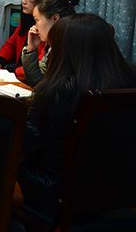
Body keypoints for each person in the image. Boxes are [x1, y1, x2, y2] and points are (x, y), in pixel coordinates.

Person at [17, 14, 136, 219]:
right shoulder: (128, 85)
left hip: (54, 193)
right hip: (118, 194)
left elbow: (27, 146)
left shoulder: (56, 92)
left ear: (63, 52)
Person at [0, 0, 59, 79]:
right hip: (19, 74)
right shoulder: (27, 20)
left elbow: (39, 69)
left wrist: (13, 72)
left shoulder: (48, 29)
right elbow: (10, 44)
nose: (23, 1)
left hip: (25, 77)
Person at [20, 0, 79, 87]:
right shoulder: (52, 45)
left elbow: (49, 88)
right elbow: (37, 81)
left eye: (37, 20)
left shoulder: (69, 48)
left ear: (54, 19)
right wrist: (31, 49)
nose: (35, 26)